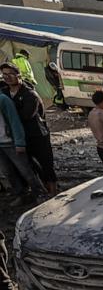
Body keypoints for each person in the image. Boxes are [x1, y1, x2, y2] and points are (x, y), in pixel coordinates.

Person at [1, 62, 57, 196]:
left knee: (45, 164)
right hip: (18, 136)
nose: (7, 77)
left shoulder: (30, 95)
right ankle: (38, 190)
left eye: (10, 74)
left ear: (18, 75)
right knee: (29, 165)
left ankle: (53, 191)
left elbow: (25, 116)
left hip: (37, 135)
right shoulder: (5, 91)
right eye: (4, 74)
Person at [0, 89, 46, 205]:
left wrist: (19, 142)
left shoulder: (3, 100)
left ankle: (40, 194)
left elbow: (14, 121)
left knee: (26, 170)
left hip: (10, 141)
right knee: (8, 172)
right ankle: (21, 195)